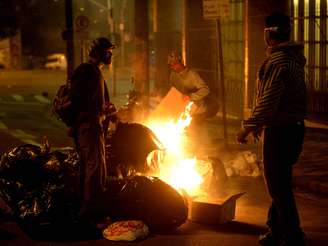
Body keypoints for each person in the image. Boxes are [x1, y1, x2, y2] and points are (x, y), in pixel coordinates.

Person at [236, 12, 307, 246]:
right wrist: (261, 124)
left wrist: (247, 127)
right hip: (294, 128)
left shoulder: (277, 62)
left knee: (277, 186)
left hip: (280, 132)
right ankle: (276, 229)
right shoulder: (294, 59)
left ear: (269, 34)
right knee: (281, 183)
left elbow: (269, 100)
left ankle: (293, 234)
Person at [69, 37, 116, 221]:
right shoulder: (86, 71)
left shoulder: (94, 71)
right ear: (97, 53)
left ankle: (89, 207)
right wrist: (83, 121)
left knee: (94, 166)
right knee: (94, 167)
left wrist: (107, 110)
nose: (110, 54)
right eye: (107, 51)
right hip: (88, 127)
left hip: (93, 125)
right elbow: (77, 100)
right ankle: (89, 211)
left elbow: (94, 101)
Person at [167, 51, 219, 122]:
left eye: (175, 64)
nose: (173, 67)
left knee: (193, 129)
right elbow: (172, 91)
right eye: (171, 65)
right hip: (180, 110)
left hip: (196, 111)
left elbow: (205, 90)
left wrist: (190, 96)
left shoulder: (192, 74)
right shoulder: (173, 75)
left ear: (181, 62)